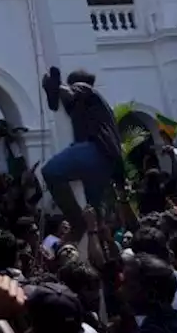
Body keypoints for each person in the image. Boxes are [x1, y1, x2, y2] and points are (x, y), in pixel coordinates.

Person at [40, 67, 125, 235]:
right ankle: (103, 249)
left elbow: (70, 93)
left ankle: (77, 223)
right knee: (96, 215)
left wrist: (55, 85)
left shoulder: (87, 91)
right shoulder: (94, 106)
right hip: (106, 163)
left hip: (95, 150)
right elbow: (59, 103)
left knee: (50, 171)